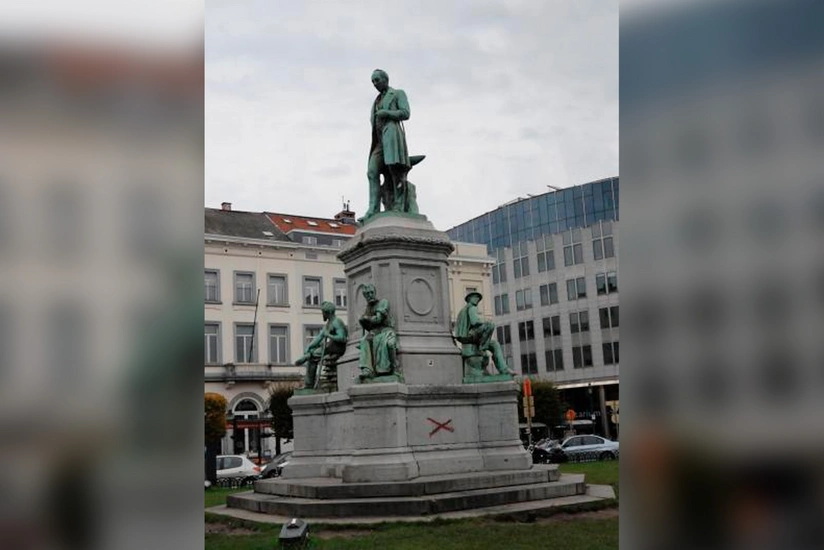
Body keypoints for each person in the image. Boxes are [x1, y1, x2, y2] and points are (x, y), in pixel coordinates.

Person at [365, 69, 411, 218]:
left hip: (392, 136)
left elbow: (406, 113)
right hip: (378, 141)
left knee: (395, 170)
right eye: (373, 81)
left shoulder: (398, 93)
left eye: (377, 80)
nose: (375, 83)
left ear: (385, 79)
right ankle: (373, 209)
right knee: (372, 171)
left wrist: (388, 113)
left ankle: (399, 205)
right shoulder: (376, 101)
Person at [454, 291, 512, 375]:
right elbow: (474, 321)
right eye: (475, 297)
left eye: (478, 298)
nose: (477, 299)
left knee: (494, 344)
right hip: (470, 336)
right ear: (469, 299)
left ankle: (504, 369)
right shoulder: (472, 308)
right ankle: (483, 347)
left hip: (465, 337)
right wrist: (485, 321)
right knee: (490, 325)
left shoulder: (462, 310)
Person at [296, 301, 347, 389]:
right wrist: (309, 347)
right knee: (314, 352)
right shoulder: (328, 324)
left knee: (315, 355)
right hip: (331, 346)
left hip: (338, 347)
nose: (322, 314)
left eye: (323, 312)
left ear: (328, 312)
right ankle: (308, 357)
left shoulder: (337, 322)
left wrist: (329, 335)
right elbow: (319, 338)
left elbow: (342, 338)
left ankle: (309, 383)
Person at [357, 283, 398, 380]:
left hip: (386, 330)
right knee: (364, 341)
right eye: (367, 294)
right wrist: (363, 322)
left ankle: (393, 368)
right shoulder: (368, 308)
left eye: (371, 292)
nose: (370, 295)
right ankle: (367, 370)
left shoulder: (383, 302)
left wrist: (366, 318)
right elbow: (369, 326)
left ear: (375, 292)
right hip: (375, 332)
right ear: (365, 296)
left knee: (389, 343)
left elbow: (378, 319)